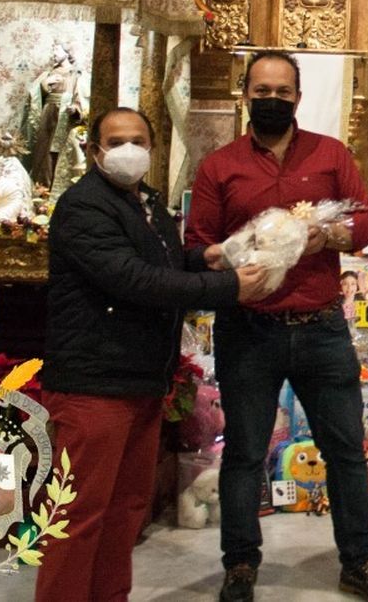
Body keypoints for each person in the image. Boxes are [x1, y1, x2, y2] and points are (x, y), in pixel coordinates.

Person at [185, 52, 368, 602]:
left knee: (347, 451)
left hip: (322, 327)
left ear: (298, 99)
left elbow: (367, 220)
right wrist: (229, 259)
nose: (272, 99)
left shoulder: (330, 155)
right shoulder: (220, 166)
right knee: (244, 453)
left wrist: (328, 238)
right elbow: (196, 246)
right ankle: (239, 566)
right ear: (245, 94)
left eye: (283, 91)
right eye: (262, 90)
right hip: (249, 330)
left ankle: (359, 561)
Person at [38, 107, 270, 602]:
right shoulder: (83, 207)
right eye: (116, 140)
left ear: (152, 146)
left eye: (138, 140)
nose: (129, 150)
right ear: (93, 150)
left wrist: (204, 257)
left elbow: (160, 261)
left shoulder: (144, 201)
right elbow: (134, 279)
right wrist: (227, 287)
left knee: (125, 511)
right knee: (77, 515)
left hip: (141, 379)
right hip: (94, 382)